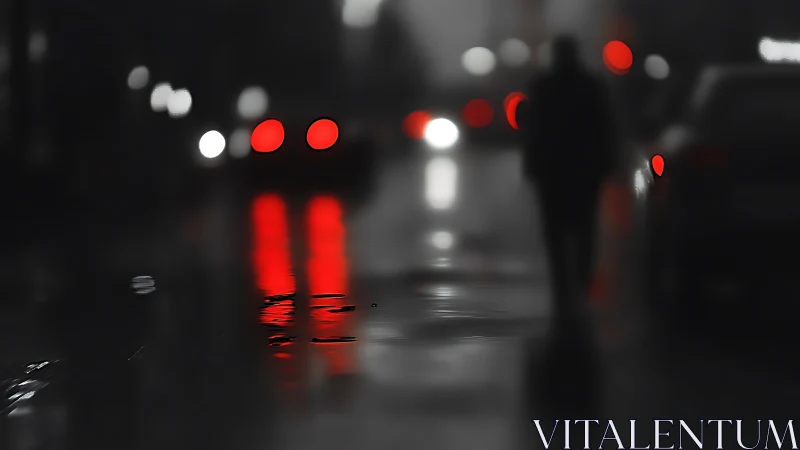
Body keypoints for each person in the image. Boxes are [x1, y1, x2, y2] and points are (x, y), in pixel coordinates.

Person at [521, 35, 617, 320]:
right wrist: (606, 163)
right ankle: (580, 281)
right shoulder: (590, 86)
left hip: (554, 170)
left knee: (556, 231)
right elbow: (605, 127)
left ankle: (564, 286)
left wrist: (532, 164)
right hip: (583, 170)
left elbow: (533, 129)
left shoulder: (544, 86)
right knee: (583, 228)